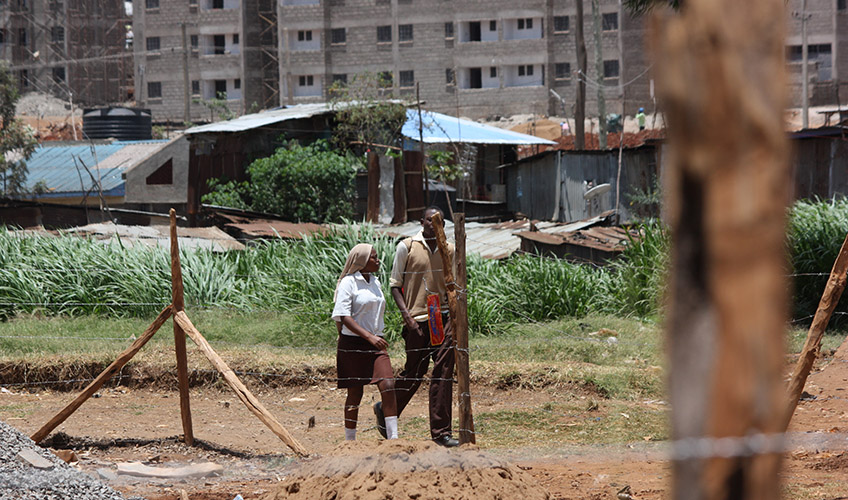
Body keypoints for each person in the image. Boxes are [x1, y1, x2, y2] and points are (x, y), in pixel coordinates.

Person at [376, 206, 459, 447]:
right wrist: (408, 319)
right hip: (418, 320)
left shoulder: (449, 250)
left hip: (441, 318)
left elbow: (454, 284)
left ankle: (442, 433)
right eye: (428, 220)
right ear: (421, 222)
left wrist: (454, 317)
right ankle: (387, 406)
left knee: (443, 371)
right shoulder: (407, 246)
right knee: (414, 372)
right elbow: (395, 285)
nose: (432, 224)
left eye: (438, 221)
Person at [332, 243, 398, 441]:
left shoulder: (375, 282)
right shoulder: (348, 282)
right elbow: (343, 315)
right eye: (374, 257)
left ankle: (393, 438)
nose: (378, 261)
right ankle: (350, 441)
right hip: (353, 343)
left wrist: (375, 337)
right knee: (355, 393)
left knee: (388, 385)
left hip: (376, 343)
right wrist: (369, 336)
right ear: (361, 261)